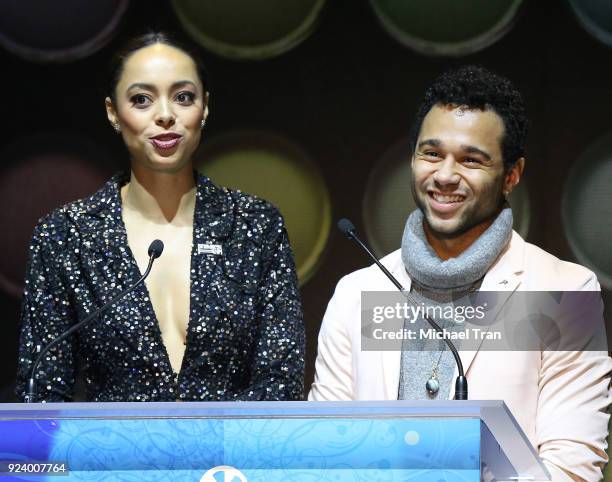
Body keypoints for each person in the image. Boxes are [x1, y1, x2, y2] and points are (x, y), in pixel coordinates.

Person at [309, 65, 611, 481]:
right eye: (431, 154)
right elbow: (325, 451)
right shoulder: (357, 292)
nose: (445, 175)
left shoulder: (563, 291)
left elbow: (573, 464)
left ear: (512, 175)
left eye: (471, 160)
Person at [16, 32, 305, 402]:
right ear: (112, 112)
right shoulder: (65, 236)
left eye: (183, 97)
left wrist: (213, 453)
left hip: (232, 458)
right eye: (141, 99)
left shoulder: (255, 226)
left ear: (205, 108)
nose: (165, 114)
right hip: (111, 457)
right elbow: (42, 393)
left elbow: (280, 381)